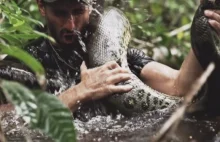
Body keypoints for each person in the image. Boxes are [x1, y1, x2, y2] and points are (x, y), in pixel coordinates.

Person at [1, 0, 220, 120]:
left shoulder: (116, 53)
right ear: (41, 6)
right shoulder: (24, 63)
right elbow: (8, 122)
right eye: (59, 13)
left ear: (90, 6)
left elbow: (180, 87)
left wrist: (204, 28)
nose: (70, 25)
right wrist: (79, 92)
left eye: (78, 11)